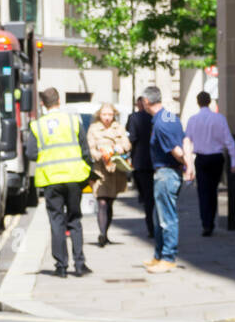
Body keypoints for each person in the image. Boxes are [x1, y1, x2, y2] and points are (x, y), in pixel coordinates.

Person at [25, 87, 93, 277]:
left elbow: (31, 154)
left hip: (51, 179)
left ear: (42, 104)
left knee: (56, 222)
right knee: (75, 220)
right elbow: (85, 150)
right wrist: (88, 171)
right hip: (74, 177)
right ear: (59, 101)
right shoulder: (73, 121)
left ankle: (61, 266)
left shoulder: (37, 126)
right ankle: (80, 265)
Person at [142, 85, 191, 274]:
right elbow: (185, 140)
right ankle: (159, 255)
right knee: (158, 217)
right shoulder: (170, 117)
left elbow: (177, 151)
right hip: (168, 173)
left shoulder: (161, 124)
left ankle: (168, 257)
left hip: (166, 174)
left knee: (166, 218)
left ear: (147, 102)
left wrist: (187, 165)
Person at [183, 91, 235, 236]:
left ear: (198, 102)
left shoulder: (193, 120)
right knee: (212, 189)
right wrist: (234, 160)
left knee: (203, 191)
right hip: (216, 157)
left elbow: (187, 141)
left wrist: (188, 162)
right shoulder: (219, 118)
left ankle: (206, 222)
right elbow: (228, 140)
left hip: (201, 158)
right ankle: (210, 221)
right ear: (210, 102)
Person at [86, 103, 131, 247]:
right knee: (102, 201)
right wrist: (100, 154)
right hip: (100, 169)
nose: (107, 118)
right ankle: (102, 234)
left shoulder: (118, 127)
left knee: (110, 201)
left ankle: (106, 233)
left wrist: (120, 147)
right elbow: (90, 147)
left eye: (110, 115)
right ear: (100, 115)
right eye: (104, 115)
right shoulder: (93, 129)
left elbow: (127, 144)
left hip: (115, 169)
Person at [127, 95, 154, 238]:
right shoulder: (160, 116)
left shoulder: (134, 118)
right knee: (153, 198)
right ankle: (154, 226)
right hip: (156, 162)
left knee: (147, 198)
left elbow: (132, 138)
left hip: (141, 162)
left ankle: (151, 227)